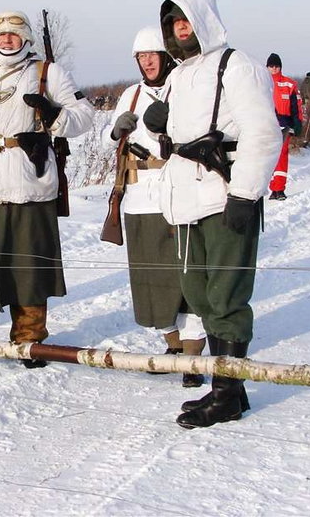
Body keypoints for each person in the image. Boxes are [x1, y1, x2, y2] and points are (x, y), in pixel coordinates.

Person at [143, 0, 281, 428]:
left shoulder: (236, 66)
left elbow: (263, 133)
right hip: (187, 198)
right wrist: (162, 125)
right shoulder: (180, 75)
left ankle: (226, 393)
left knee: (226, 296)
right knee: (200, 294)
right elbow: (180, 138)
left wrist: (245, 194)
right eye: (172, 24)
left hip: (224, 194)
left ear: (202, 20)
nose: (179, 29)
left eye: (185, 20)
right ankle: (229, 388)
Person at [0, 10, 95, 373]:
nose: (8, 40)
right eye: (1, 36)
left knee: (29, 265)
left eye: (14, 35)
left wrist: (53, 115)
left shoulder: (48, 73)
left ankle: (29, 339)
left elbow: (84, 116)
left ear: (26, 39)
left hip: (32, 181)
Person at [102, 25, 206, 388]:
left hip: (181, 193)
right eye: (140, 56)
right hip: (140, 197)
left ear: (165, 56)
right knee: (152, 278)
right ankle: (173, 347)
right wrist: (117, 130)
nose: (146, 62)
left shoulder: (186, 86)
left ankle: (193, 355)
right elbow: (107, 138)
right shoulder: (131, 95)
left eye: (152, 55)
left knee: (187, 274)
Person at [266, 53, 300, 200]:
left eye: (276, 66)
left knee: (281, 156)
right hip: (266, 123)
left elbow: (296, 105)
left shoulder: (289, 84)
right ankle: (266, 187)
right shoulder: (261, 82)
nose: (274, 69)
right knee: (266, 157)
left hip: (284, 124)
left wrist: (297, 123)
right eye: (271, 66)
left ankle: (279, 189)